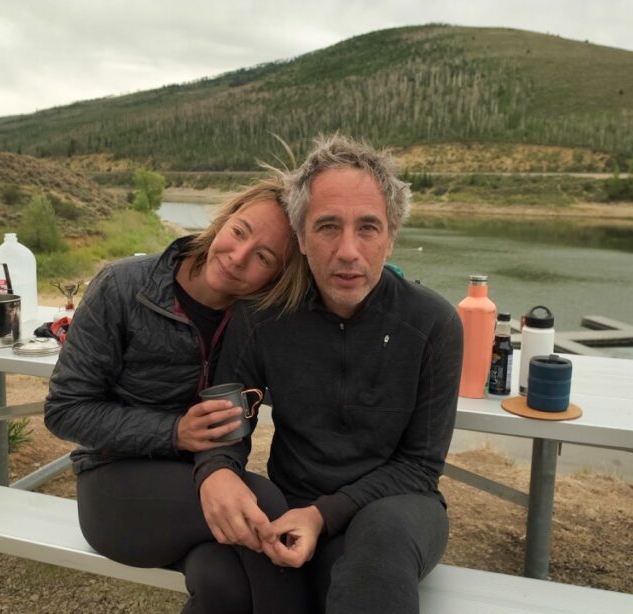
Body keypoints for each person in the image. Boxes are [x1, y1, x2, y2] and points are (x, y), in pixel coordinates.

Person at [194, 135, 464, 613]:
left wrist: (323, 515)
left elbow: (420, 466)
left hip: (401, 503)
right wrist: (217, 471)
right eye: (327, 227)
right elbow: (227, 426)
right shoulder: (262, 318)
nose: (347, 251)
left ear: (392, 234)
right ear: (300, 237)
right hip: (291, 502)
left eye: (367, 228)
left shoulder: (433, 324)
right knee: (224, 586)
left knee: (374, 556)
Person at [44, 176, 311, 614]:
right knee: (264, 505)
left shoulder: (260, 321)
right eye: (239, 232)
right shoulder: (124, 287)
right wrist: (173, 432)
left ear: (279, 275)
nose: (238, 257)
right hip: (113, 487)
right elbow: (64, 410)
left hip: (203, 488)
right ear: (224, 219)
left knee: (223, 581)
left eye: (263, 257)